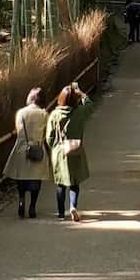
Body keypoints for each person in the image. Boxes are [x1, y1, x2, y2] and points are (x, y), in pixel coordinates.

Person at [47, 82, 93, 221]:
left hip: (60, 151)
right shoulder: (80, 111)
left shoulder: (55, 114)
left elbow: (49, 137)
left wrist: (54, 148)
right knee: (74, 182)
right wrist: (81, 92)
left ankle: (61, 213)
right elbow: (90, 104)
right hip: (75, 148)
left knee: (60, 183)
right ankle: (73, 206)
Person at [2, 87, 50, 218]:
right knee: (36, 179)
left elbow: (19, 130)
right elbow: (46, 132)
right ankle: (33, 206)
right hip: (38, 149)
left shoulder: (21, 113)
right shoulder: (44, 114)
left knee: (21, 178)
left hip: (22, 149)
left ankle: (22, 199)